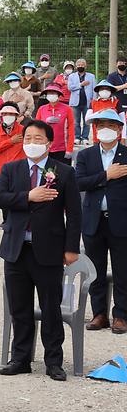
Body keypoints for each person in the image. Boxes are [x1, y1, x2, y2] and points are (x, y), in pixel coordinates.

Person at [0, 118, 82, 381]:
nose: (32, 143)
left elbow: (75, 214)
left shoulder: (64, 172)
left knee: (51, 307)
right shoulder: (11, 169)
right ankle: (20, 358)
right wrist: (27, 197)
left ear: (49, 142)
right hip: (17, 248)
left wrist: (71, 248)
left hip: (49, 249)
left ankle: (53, 360)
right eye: (28, 138)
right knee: (19, 307)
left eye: (38, 139)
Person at [74, 109, 127, 334]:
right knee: (95, 270)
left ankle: (121, 315)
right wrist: (107, 175)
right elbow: (79, 183)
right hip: (93, 221)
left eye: (111, 125)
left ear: (119, 129)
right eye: (101, 125)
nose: (106, 129)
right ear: (95, 129)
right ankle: (99, 314)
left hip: (121, 220)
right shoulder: (86, 155)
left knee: (122, 270)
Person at [36, 83, 75, 163]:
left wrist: (69, 149)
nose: (51, 95)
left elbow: (71, 129)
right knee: (46, 173)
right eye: (49, 93)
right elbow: (37, 128)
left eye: (53, 93)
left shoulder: (67, 109)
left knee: (63, 173)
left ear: (58, 95)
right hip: (45, 148)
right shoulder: (42, 109)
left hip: (62, 148)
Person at [0, 102, 26, 174]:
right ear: (1, 115)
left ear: (16, 115)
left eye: (11, 114)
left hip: (18, 169)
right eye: (5, 113)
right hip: (2, 169)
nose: (8, 116)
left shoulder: (23, 130)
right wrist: (11, 141)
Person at [67, 59, 93, 145]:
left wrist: (94, 101)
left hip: (87, 102)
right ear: (76, 66)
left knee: (87, 121)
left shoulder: (91, 76)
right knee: (75, 121)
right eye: (79, 65)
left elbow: (94, 89)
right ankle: (77, 137)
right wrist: (81, 85)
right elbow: (70, 87)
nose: (80, 66)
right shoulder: (71, 76)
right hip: (75, 102)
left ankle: (85, 137)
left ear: (85, 66)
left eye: (82, 65)